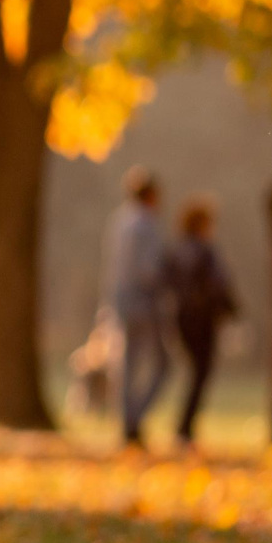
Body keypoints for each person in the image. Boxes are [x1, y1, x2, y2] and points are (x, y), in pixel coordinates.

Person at [101, 166, 170, 446]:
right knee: (163, 364)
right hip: (144, 303)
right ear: (151, 194)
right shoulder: (146, 225)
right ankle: (134, 418)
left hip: (120, 302)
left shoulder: (119, 222)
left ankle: (127, 422)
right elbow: (148, 269)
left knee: (128, 365)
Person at [166, 196, 237, 447]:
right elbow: (219, 286)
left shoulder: (176, 251)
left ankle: (184, 427)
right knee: (201, 373)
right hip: (203, 320)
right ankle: (185, 428)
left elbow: (168, 283)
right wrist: (232, 310)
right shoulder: (206, 252)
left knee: (196, 372)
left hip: (182, 318)